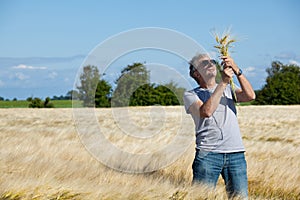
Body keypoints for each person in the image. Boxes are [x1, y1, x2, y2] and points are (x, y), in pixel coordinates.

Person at [183, 53, 255, 199]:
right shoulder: (190, 95)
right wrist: (223, 83)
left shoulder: (229, 90)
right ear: (196, 73)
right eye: (204, 63)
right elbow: (206, 112)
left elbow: (250, 96)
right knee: (201, 197)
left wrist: (236, 70)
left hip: (236, 153)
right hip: (208, 154)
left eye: (212, 61)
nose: (210, 64)